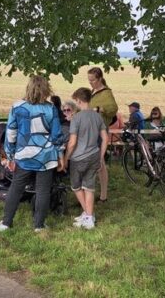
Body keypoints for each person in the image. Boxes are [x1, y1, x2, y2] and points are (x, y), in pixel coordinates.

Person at [0, 76, 63, 232]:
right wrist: (60, 156)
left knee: (16, 188)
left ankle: (6, 223)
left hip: (23, 156)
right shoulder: (51, 108)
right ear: (46, 90)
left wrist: (10, 156)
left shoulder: (17, 107)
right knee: (43, 191)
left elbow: (11, 133)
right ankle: (39, 225)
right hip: (45, 157)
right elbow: (57, 136)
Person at [63, 88, 108, 230]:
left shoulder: (76, 118)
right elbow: (105, 139)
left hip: (78, 158)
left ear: (79, 101)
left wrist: (65, 159)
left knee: (76, 187)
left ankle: (89, 216)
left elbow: (72, 143)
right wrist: (100, 157)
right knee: (89, 187)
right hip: (94, 155)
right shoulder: (97, 116)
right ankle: (88, 214)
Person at [88, 67, 118, 203]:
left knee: (100, 163)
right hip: (90, 131)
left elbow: (113, 109)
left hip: (100, 132)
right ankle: (89, 192)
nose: (90, 82)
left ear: (99, 79)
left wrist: (100, 109)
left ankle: (103, 195)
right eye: (89, 80)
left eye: (92, 80)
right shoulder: (93, 91)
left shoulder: (106, 93)